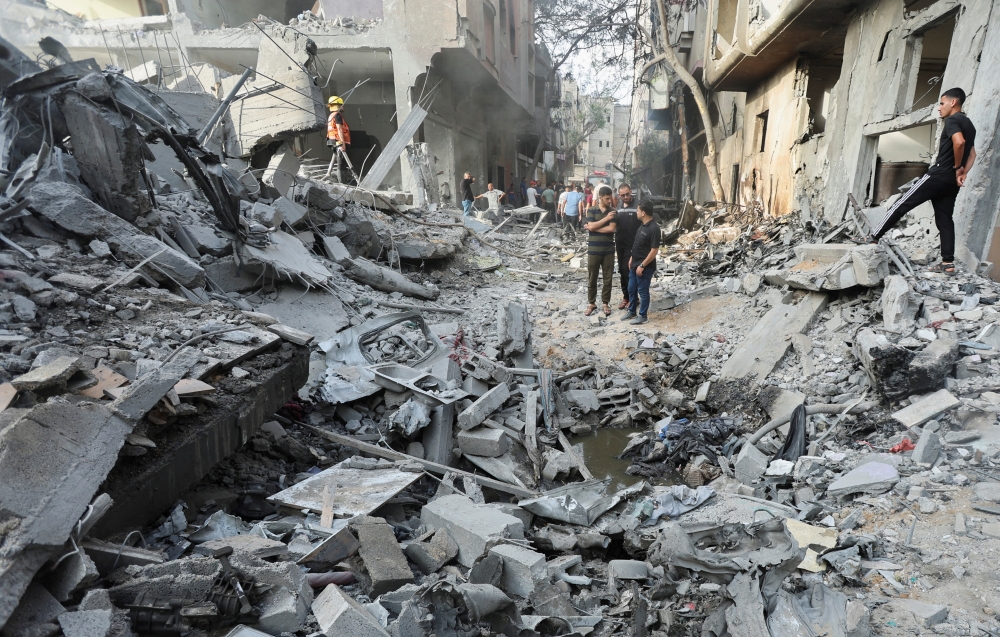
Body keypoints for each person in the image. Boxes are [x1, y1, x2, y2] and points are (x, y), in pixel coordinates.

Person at [867, 87, 976, 275]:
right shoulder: (969, 124)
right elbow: (973, 154)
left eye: (942, 103)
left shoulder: (952, 120)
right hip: (951, 183)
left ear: (953, 103)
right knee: (945, 220)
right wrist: (962, 172)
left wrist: (957, 167)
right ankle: (947, 263)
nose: (939, 108)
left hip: (938, 175)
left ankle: (873, 237)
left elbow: (959, 143)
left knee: (900, 204)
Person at [622, 202, 661, 325]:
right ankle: (632, 310)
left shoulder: (654, 228)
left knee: (643, 291)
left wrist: (642, 265)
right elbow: (637, 244)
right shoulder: (642, 226)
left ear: (643, 213)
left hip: (645, 267)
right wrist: (632, 258)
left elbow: (654, 250)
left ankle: (643, 315)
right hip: (635, 264)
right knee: (631, 288)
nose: (636, 213)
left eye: (638, 211)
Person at [584, 185, 618, 317]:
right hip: (593, 250)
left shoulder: (613, 212)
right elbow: (591, 225)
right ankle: (591, 303)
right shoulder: (591, 210)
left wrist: (593, 228)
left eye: (610, 198)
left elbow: (611, 229)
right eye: (607, 198)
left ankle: (605, 303)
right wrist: (606, 219)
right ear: (601, 198)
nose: (610, 201)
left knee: (607, 279)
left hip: (608, 250)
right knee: (592, 278)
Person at [614, 184, 641, 310]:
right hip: (620, 244)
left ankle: (633, 298)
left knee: (628, 271)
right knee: (621, 270)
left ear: (631, 192)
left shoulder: (638, 206)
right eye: (623, 195)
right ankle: (626, 297)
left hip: (632, 244)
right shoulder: (618, 206)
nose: (625, 197)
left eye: (627, 194)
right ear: (619, 195)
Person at [326, 96, 351, 178]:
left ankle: (328, 173)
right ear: (338, 106)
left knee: (337, 157)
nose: (343, 107)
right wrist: (343, 143)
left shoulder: (331, 115)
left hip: (331, 140)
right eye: (342, 105)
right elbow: (339, 129)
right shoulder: (337, 115)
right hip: (338, 140)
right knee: (341, 163)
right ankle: (342, 183)